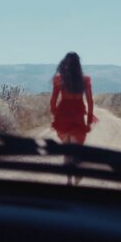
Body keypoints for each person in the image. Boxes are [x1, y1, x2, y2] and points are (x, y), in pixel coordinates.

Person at [50, 52, 97, 185]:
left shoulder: (60, 80)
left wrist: (55, 115)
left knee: (66, 150)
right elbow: (90, 101)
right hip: (77, 117)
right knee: (76, 150)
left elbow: (53, 101)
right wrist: (89, 120)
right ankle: (76, 174)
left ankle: (69, 180)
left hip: (63, 116)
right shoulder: (84, 80)